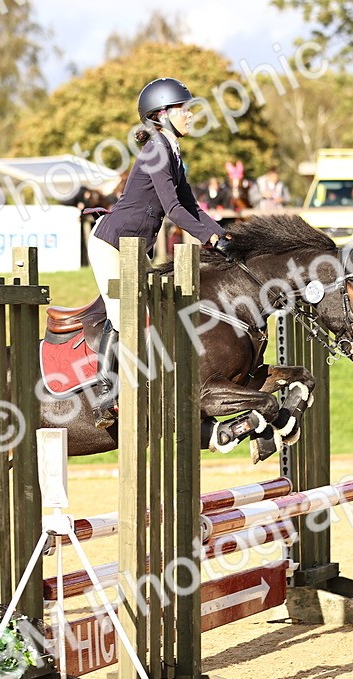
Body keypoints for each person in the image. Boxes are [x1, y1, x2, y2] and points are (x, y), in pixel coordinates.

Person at [87, 77, 228, 428]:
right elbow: (175, 212)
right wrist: (210, 241)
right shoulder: (156, 150)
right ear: (162, 114)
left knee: (158, 317)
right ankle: (105, 393)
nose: (191, 116)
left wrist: (225, 236)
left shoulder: (173, 153)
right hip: (111, 244)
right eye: (185, 110)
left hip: (136, 250)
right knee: (125, 315)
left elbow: (191, 208)